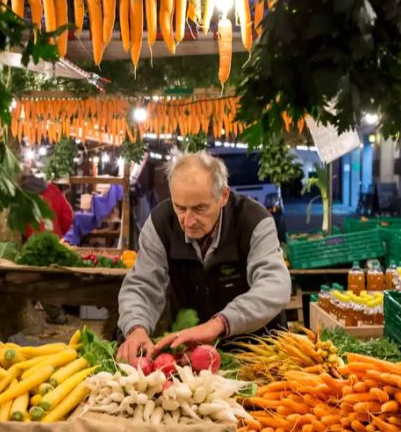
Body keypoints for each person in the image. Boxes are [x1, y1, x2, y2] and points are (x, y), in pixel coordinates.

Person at [115, 150, 291, 362]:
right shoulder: (160, 224)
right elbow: (142, 285)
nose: (188, 221)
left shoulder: (254, 221)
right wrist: (135, 327)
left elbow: (275, 286)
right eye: (180, 207)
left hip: (260, 355)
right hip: (191, 358)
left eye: (200, 208)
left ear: (223, 196)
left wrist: (219, 324)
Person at [21, 171, 74, 325]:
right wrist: (58, 233)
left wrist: (26, 235)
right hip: (53, 239)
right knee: (49, 278)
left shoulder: (21, 195)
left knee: (36, 278)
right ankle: (56, 314)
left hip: (32, 241)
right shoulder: (52, 190)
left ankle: (55, 314)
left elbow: (20, 222)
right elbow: (67, 215)